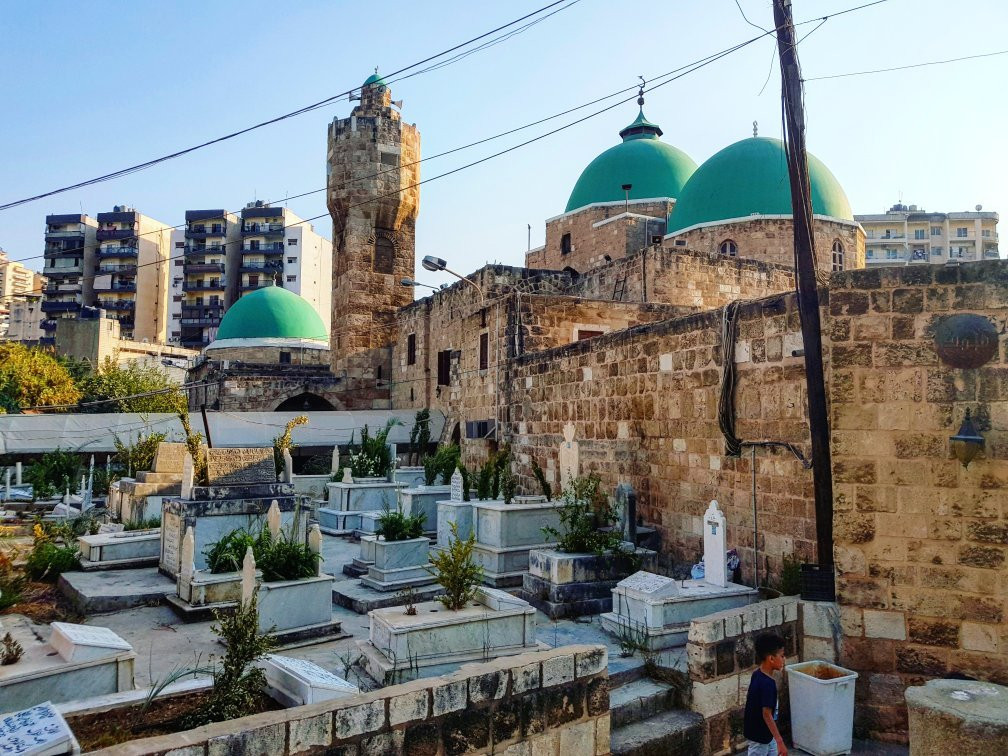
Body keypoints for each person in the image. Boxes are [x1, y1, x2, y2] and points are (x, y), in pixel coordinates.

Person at [743, 632, 788, 755]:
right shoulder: (768, 684)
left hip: (767, 734)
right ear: (771, 659)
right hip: (760, 737)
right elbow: (766, 714)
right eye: (782, 656)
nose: (784, 659)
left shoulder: (757, 674)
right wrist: (780, 741)